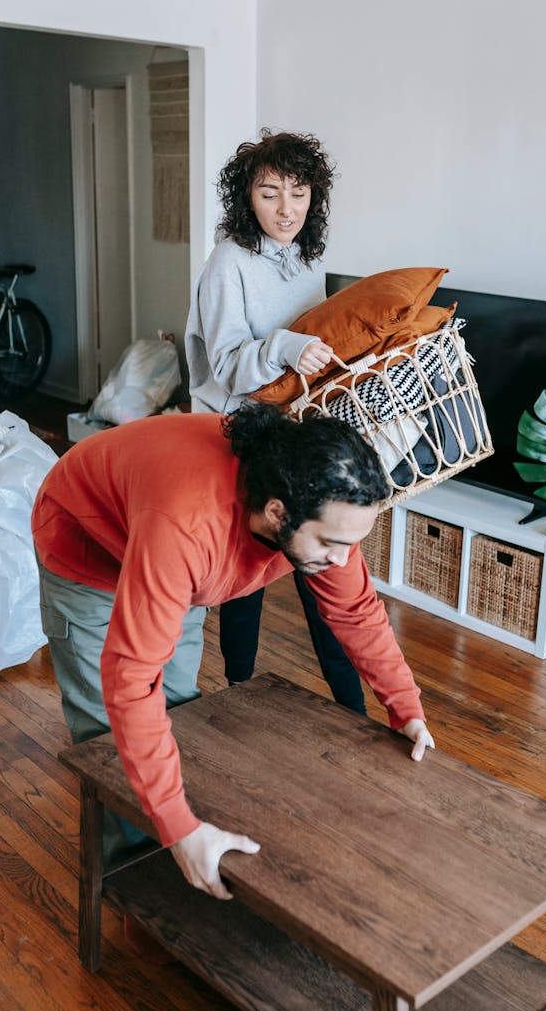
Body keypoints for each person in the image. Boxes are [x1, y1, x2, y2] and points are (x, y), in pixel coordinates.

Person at [32, 403, 434, 902]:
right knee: (111, 741)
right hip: (88, 545)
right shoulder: (187, 525)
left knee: (181, 715)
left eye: (353, 543)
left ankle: (192, 856)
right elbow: (131, 679)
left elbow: (356, 612)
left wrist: (406, 708)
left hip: (172, 553)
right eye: (332, 543)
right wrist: (177, 828)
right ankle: (141, 902)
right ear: (278, 512)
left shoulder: (321, 512)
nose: (342, 560)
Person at [185, 129, 366, 713]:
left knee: (323, 573)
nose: (286, 210)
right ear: (246, 196)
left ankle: (354, 708)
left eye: (298, 192)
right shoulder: (227, 263)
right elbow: (227, 365)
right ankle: (238, 692)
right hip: (239, 434)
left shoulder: (308, 257)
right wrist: (287, 346)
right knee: (245, 575)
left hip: (293, 430)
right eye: (269, 193)